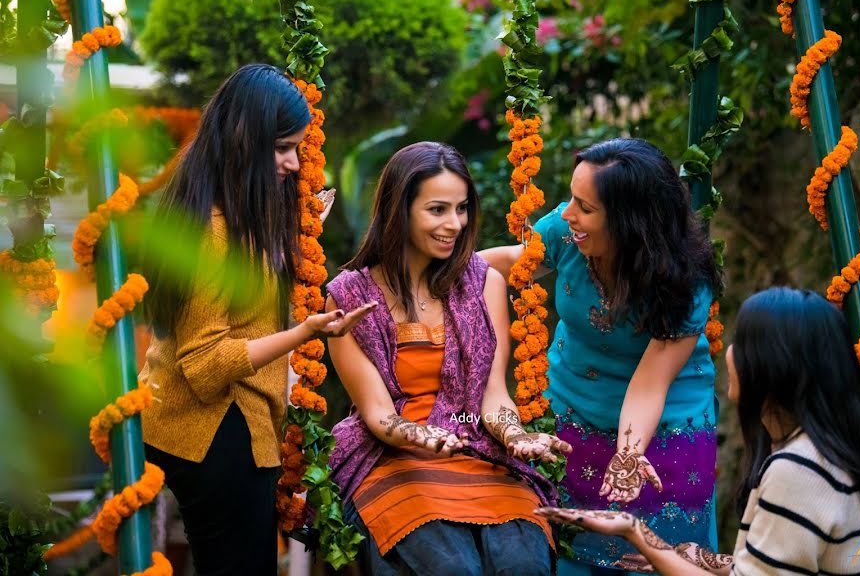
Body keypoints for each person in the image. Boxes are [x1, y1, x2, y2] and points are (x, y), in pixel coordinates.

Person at [139, 64, 375, 575]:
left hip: (211, 424)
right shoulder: (213, 232)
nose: (293, 163)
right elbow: (205, 362)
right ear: (244, 142)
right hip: (213, 430)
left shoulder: (233, 215)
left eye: (297, 148)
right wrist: (303, 332)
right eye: (282, 149)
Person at [324, 141, 572, 576]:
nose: (454, 224)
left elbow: (493, 397)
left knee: (523, 564)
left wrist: (515, 437)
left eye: (461, 209)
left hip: (478, 446)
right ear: (399, 209)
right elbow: (379, 415)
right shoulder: (347, 296)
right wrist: (423, 437)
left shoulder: (483, 284)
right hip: (393, 456)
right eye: (437, 209)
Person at [480, 138, 723, 574]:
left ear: (631, 223)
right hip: (570, 420)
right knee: (571, 556)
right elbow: (517, 262)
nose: (567, 214)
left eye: (585, 207)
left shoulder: (686, 283)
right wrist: (429, 268)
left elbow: (650, 383)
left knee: (652, 561)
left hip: (663, 439)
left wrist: (629, 455)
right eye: (572, 199)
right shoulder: (565, 231)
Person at [537, 287, 860, 575]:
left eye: (742, 344)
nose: (728, 354)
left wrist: (638, 534)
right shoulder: (820, 452)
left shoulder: (798, 470)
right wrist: (695, 557)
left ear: (773, 367)